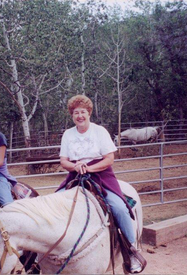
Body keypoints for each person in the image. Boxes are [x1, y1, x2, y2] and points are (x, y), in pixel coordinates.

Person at [56, 94, 146, 274]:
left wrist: (89, 169)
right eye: (75, 113)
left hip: (101, 175)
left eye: (82, 112)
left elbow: (109, 159)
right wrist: (76, 166)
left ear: (89, 113)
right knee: (54, 204)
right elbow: (63, 161)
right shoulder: (68, 134)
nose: (79, 116)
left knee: (119, 207)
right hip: (75, 175)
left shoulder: (99, 131)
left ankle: (132, 251)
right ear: (72, 115)